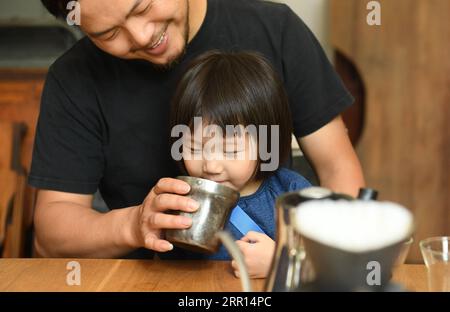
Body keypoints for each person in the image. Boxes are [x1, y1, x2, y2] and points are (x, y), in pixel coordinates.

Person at [31, 0, 365, 258]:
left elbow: (338, 169)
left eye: (144, 6)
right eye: (109, 34)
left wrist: (299, 259)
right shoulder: (74, 78)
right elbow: (51, 234)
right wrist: (133, 226)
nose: (143, 36)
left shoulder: (274, 29)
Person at [166, 50, 311, 278]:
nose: (211, 165)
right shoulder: (179, 198)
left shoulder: (292, 194)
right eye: (194, 147)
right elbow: (160, 272)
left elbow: (332, 263)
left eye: (231, 150)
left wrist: (280, 262)